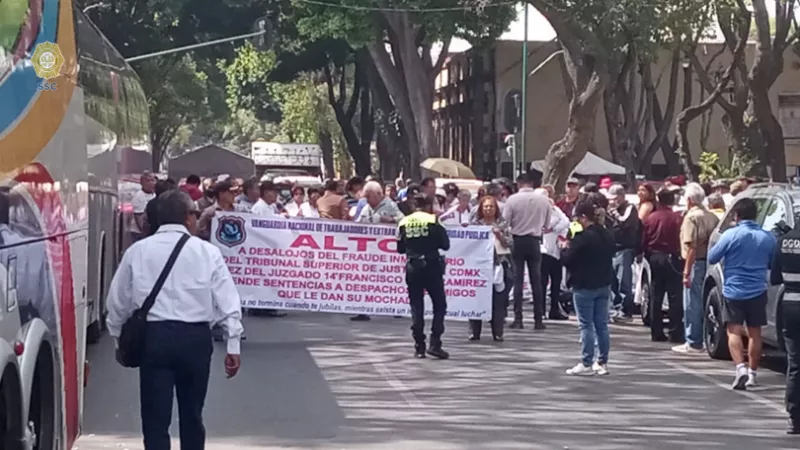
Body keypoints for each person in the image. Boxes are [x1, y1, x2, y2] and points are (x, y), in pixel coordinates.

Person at [105, 190, 243, 450]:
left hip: (154, 339)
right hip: (195, 340)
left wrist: (118, 339)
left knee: (155, 419)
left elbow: (117, 302)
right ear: (188, 218)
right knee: (192, 414)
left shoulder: (138, 251)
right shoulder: (207, 252)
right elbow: (228, 301)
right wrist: (233, 344)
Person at [708, 198, 776, 390]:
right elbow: (772, 262)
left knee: (734, 330)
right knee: (755, 332)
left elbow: (713, 257)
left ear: (737, 216)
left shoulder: (731, 234)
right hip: (758, 289)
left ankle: (740, 369)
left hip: (734, 289)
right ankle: (753, 374)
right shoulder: (767, 237)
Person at [561, 200, 616, 376]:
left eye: (577, 218)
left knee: (586, 325)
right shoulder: (607, 235)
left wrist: (565, 247)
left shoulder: (582, 238)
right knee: (601, 324)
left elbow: (568, 258)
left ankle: (586, 361)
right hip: (603, 283)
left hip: (584, 284)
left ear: (584, 218)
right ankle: (602, 361)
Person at [397, 194, 450, 359]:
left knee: (416, 306)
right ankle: (435, 343)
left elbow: (400, 248)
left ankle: (419, 346)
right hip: (432, 265)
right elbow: (445, 245)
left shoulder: (404, 222)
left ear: (414, 205)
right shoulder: (434, 220)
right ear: (428, 206)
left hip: (413, 267)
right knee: (439, 305)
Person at [674, 183, 719, 354]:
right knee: (703, 302)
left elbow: (691, 246)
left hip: (694, 262)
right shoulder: (711, 216)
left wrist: (686, 271)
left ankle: (693, 341)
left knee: (691, 303)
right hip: (708, 262)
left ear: (689, 200)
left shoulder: (691, 217)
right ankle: (701, 338)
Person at [504, 173, 551, 330]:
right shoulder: (544, 200)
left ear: (519, 184)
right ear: (532, 183)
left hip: (518, 240)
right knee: (536, 281)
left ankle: (518, 318)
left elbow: (505, 222)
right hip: (534, 241)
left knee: (518, 280)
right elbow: (547, 224)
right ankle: (539, 319)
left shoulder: (512, 200)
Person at [770, 220, 800, 434]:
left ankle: (794, 417)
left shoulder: (783, 241)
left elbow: (774, 277)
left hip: (789, 304)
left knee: (795, 364)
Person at [642, 189, 683, 342]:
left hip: (655, 256)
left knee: (656, 295)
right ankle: (675, 332)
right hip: (672, 257)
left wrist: (646, 254)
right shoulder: (677, 218)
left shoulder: (651, 218)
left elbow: (643, 239)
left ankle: (656, 331)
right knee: (674, 296)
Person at [468, 195, 512, 341]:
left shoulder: (503, 224)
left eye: (491, 206)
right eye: (485, 206)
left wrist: (499, 236)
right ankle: (474, 331)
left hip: (498, 265)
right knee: (476, 299)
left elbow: (510, 244)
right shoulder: (475, 224)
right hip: (478, 266)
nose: (488, 209)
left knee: (498, 300)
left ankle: (497, 332)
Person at [606, 184, 641, 321]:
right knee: (613, 280)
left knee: (623, 280)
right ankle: (616, 307)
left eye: (614, 198)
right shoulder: (612, 209)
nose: (612, 201)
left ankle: (626, 310)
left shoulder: (629, 209)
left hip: (625, 248)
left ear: (621, 196)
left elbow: (625, 223)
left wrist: (615, 214)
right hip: (613, 248)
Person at [535, 188, 570, 320]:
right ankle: (541, 310)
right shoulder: (535, 212)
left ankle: (554, 309)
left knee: (556, 282)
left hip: (555, 250)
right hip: (542, 250)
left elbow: (566, 221)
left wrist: (554, 228)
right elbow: (543, 226)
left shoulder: (554, 209)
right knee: (542, 282)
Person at [131, 172, 157, 242]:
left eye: (153, 180)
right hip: (139, 233)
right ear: (142, 183)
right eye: (148, 181)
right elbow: (138, 217)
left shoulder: (155, 195)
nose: (151, 183)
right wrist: (145, 234)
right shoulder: (138, 196)